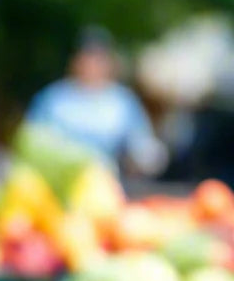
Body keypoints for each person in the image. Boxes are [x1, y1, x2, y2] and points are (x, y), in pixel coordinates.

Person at [25, 26, 168, 177]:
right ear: (75, 60)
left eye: (99, 59)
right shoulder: (52, 99)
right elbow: (32, 141)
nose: (92, 65)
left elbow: (141, 144)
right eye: (87, 57)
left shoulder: (123, 102)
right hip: (57, 182)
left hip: (106, 181)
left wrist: (148, 156)